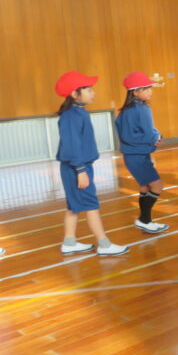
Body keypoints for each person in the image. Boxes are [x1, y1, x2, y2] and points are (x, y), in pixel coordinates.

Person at [55, 71, 129, 256]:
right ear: (74, 94)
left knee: (74, 206)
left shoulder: (79, 113)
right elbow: (72, 146)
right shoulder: (71, 116)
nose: (93, 93)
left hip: (78, 166)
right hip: (76, 167)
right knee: (90, 205)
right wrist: (80, 170)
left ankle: (69, 242)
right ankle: (104, 245)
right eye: (88, 89)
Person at [115, 71, 169, 233]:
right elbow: (148, 134)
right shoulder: (143, 109)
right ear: (135, 92)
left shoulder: (123, 111)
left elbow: (131, 135)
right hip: (138, 156)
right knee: (157, 186)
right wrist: (157, 140)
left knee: (145, 187)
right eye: (146, 88)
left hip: (131, 156)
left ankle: (145, 220)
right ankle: (144, 220)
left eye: (150, 87)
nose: (150, 91)